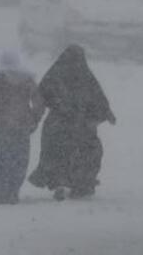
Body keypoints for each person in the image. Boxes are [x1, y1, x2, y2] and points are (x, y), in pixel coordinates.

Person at [28, 45, 116, 200]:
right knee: (86, 154)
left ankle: (59, 183)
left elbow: (41, 95)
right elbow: (98, 97)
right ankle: (81, 184)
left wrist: (36, 116)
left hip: (57, 123)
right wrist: (106, 114)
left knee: (56, 154)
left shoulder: (54, 74)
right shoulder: (86, 76)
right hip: (82, 124)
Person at [0, 51, 44, 204]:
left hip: (1, 125)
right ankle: (12, 191)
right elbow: (39, 102)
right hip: (22, 125)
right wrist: (34, 118)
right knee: (19, 159)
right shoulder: (28, 80)